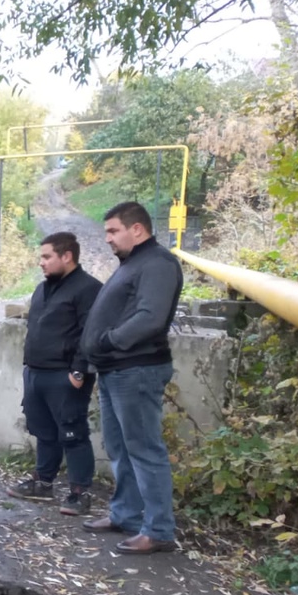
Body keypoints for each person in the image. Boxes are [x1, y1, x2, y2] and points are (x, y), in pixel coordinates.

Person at [79, 201, 184, 555]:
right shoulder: (133, 264)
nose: (107, 239)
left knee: (144, 450)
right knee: (121, 449)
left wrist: (109, 341)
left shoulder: (158, 264)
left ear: (136, 229)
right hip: (115, 370)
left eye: (112, 231)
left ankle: (158, 531)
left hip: (136, 369)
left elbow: (150, 317)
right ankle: (126, 515)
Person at [7, 232, 102, 516]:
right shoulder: (42, 289)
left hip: (65, 375)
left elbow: (91, 332)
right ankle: (43, 482)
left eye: (47, 257)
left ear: (67, 256)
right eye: (41, 257)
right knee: (44, 431)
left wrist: (79, 370)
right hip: (36, 372)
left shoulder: (89, 289)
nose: (41, 263)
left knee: (72, 432)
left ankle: (79, 493)